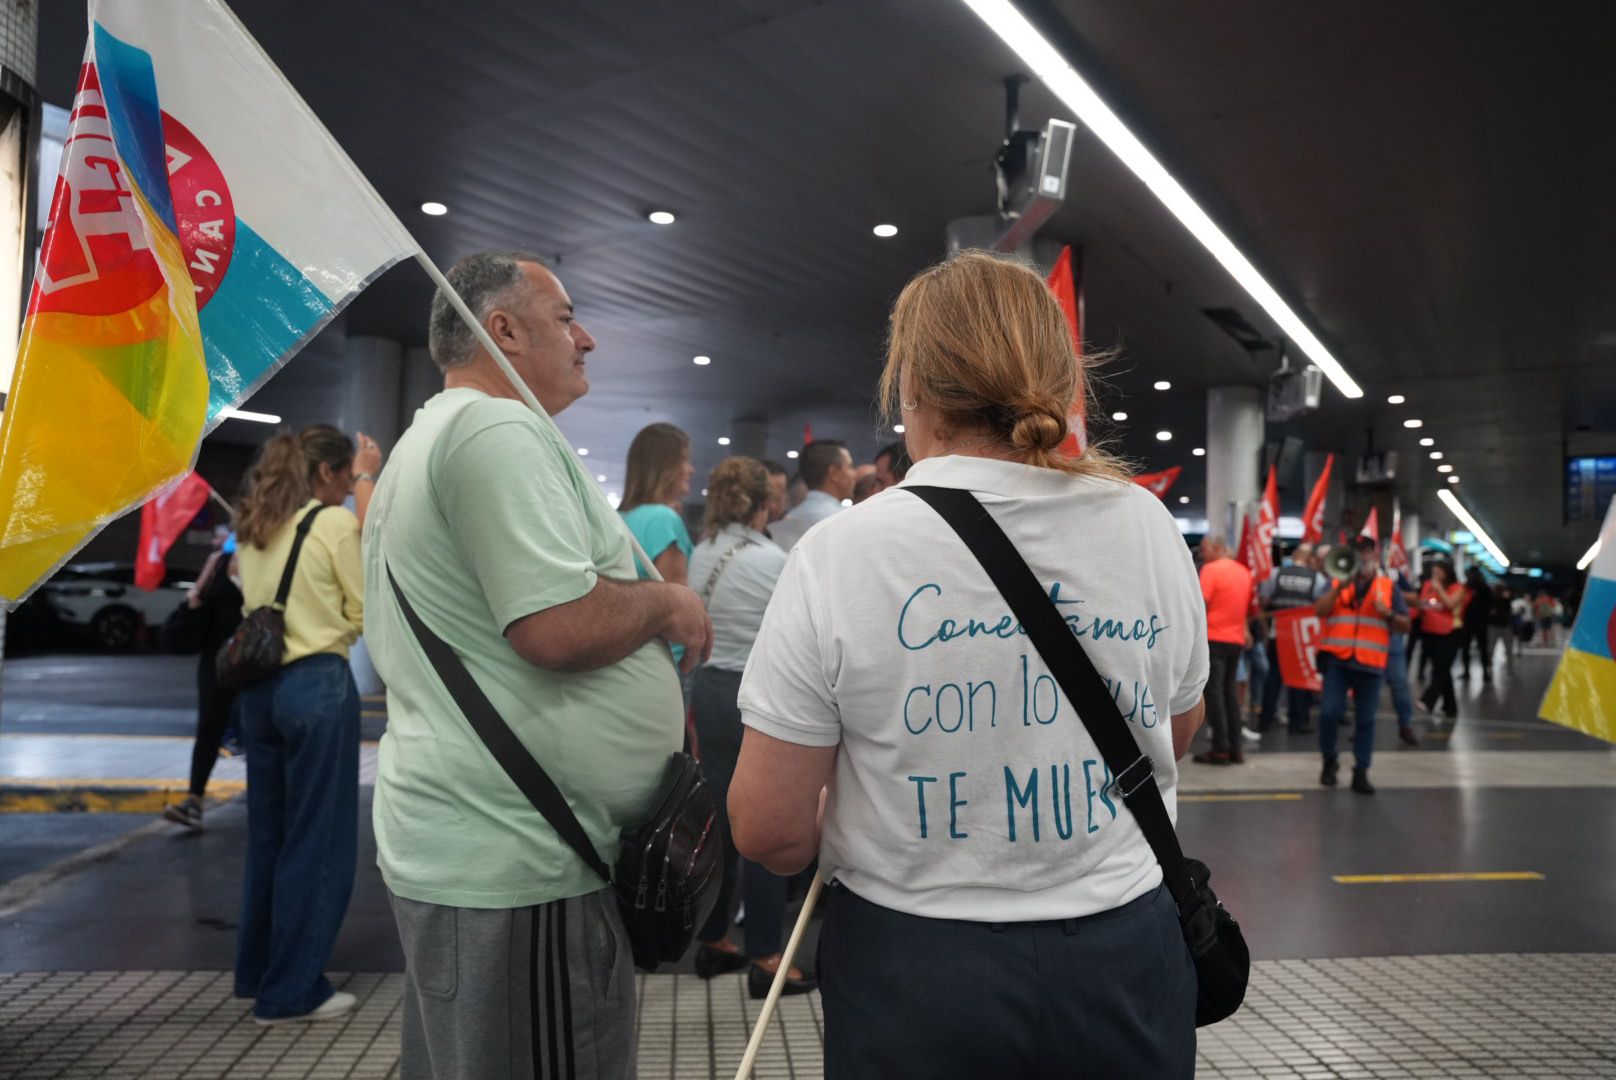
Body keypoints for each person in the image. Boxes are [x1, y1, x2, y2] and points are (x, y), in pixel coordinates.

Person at [729, 251, 1207, 1077]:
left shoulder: (842, 552)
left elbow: (767, 827)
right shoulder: (1144, 525)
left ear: (910, 386)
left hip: (914, 970)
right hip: (1124, 954)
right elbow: (1181, 722)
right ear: (1063, 380)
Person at [362, 250, 711, 1079]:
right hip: (521, 860)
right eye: (564, 318)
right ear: (505, 331)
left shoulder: (429, 438)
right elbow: (554, 628)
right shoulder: (494, 426)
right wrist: (667, 603)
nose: (586, 337)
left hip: (489, 845)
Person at [232, 425, 367, 1024]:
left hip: (256, 692)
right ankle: (292, 991)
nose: (343, 491)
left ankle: (261, 973)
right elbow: (365, 605)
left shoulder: (255, 525)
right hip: (315, 684)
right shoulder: (333, 523)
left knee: (270, 839)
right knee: (319, 839)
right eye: (343, 478)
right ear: (324, 474)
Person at [684, 457, 811, 999]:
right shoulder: (773, 560)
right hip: (757, 696)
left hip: (708, 692)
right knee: (765, 822)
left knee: (719, 822)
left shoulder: (703, 551)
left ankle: (714, 941)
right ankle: (766, 955)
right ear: (766, 504)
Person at [161, 527, 245, 831]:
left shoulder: (269, 559)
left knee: (259, 731)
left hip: (257, 660)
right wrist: (194, 598)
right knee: (209, 727)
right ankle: (194, 800)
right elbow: (196, 596)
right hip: (216, 659)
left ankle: (269, 801)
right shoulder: (217, 561)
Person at [1314, 534, 1411, 794]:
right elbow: (1319, 610)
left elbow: (1406, 624)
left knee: (1365, 720)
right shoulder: (1336, 581)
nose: (1363, 557)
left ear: (1375, 556)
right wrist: (1338, 587)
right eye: (1358, 552)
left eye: (1367, 552)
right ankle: (1329, 761)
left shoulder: (1389, 587)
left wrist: (1388, 613)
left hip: (1370, 663)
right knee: (1329, 713)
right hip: (1338, 659)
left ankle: (1361, 771)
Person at [1195, 535, 1254, 765]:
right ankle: (1236, 747)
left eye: (1204, 548)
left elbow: (1200, 605)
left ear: (1217, 547)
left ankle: (1220, 748)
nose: (1202, 553)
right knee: (1230, 694)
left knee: (1214, 694)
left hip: (1214, 638)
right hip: (1235, 640)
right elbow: (1243, 609)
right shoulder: (1243, 572)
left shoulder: (1210, 570)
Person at [1259, 542, 1328, 734]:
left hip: (1277, 634)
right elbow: (1321, 606)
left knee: (1274, 676)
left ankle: (1265, 720)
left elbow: (1263, 601)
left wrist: (1266, 630)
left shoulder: (1276, 574)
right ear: (1308, 559)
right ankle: (1296, 723)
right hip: (1301, 638)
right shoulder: (1317, 578)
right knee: (1298, 679)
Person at [619, 422, 696, 584]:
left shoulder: (616, 517)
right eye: (684, 460)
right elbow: (677, 600)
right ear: (665, 467)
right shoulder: (663, 518)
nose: (691, 470)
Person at [769, 439, 856, 551]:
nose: (855, 474)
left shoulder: (786, 520)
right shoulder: (846, 519)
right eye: (850, 466)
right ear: (834, 473)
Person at [1417, 563, 1466, 718]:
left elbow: (1451, 604)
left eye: (1439, 571)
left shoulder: (1458, 588)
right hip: (1430, 632)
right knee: (1442, 669)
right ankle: (1450, 706)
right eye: (1434, 571)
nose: (1435, 574)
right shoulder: (1427, 585)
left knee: (1440, 669)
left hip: (1450, 633)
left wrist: (1439, 589)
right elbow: (1421, 604)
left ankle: (1427, 700)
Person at [1382, 560, 1420, 747]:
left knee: (1399, 684)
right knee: (1364, 686)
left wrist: (1391, 592)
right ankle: (1362, 726)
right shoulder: (1353, 575)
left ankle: (1405, 724)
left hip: (1391, 638)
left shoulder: (1394, 575)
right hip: (1366, 641)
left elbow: (1414, 599)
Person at [1456, 568, 1493, 683]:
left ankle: (1485, 672)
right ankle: (1467, 671)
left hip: (1479, 622)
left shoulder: (1483, 588)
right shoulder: (1465, 588)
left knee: (1482, 648)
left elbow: (1491, 604)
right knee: (1466, 648)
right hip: (1468, 622)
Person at [760, 458, 790, 527]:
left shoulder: (794, 532)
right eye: (766, 497)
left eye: (777, 499)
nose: (771, 506)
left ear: (786, 498)